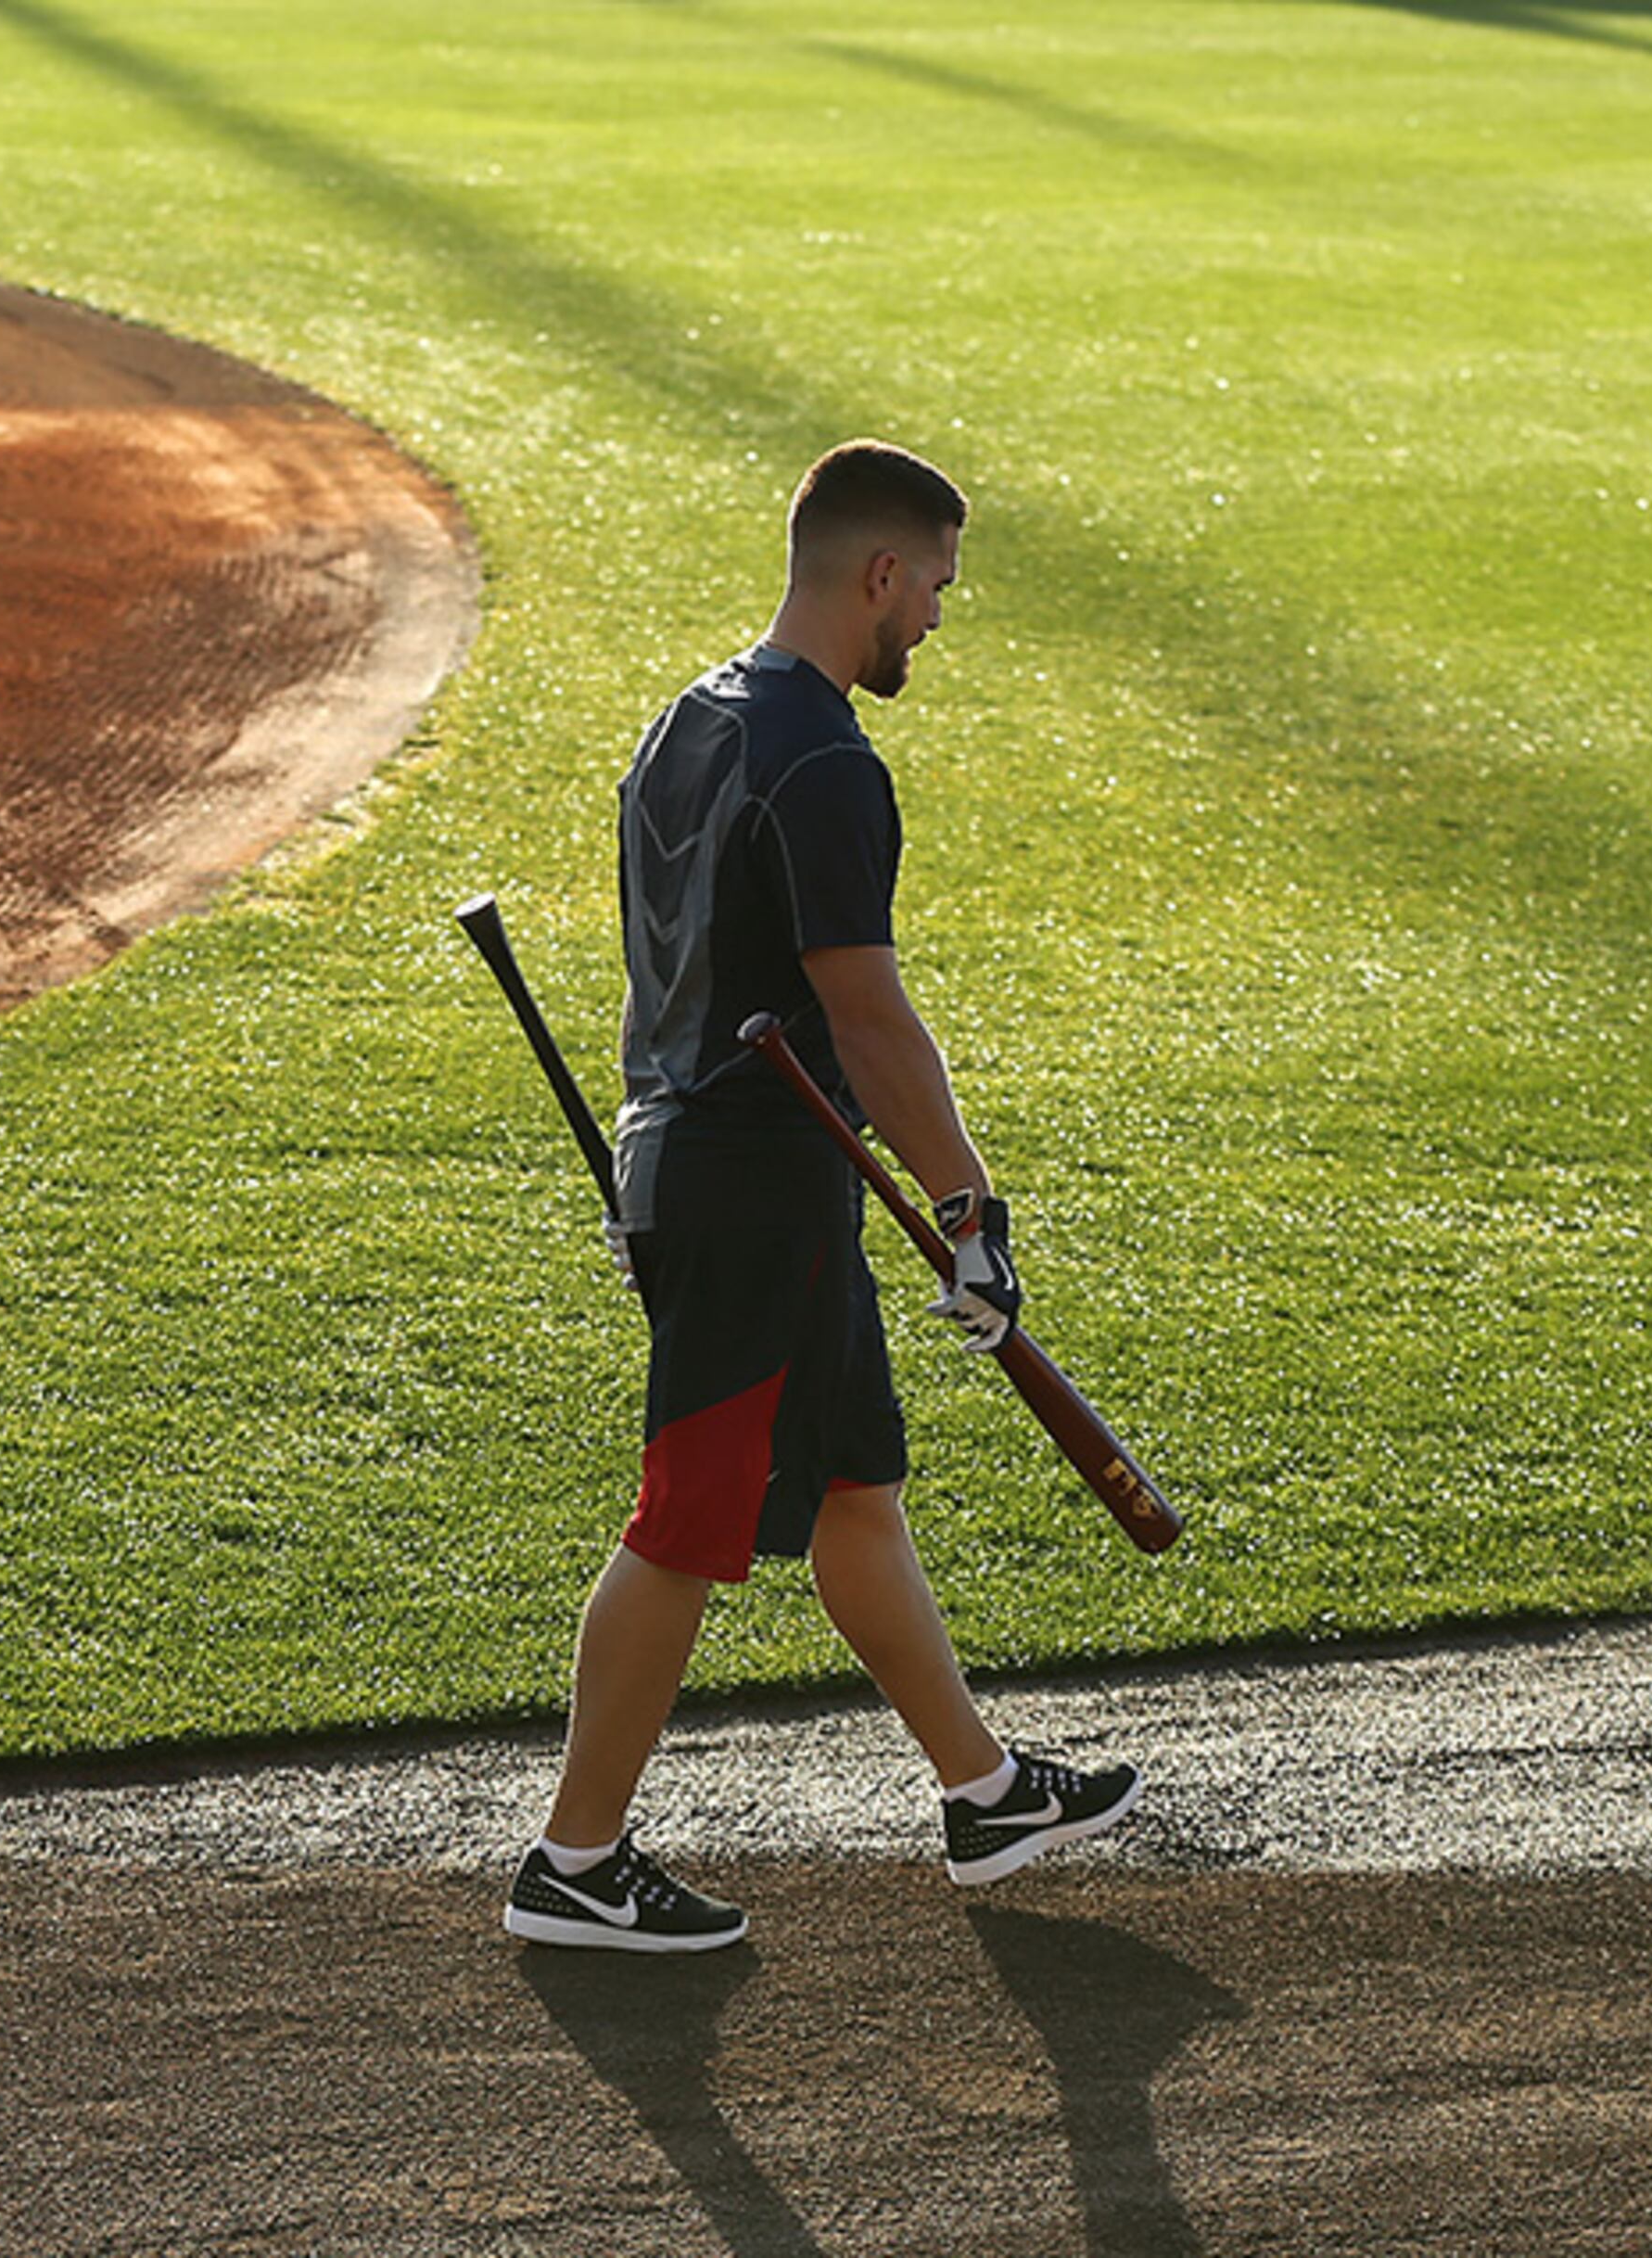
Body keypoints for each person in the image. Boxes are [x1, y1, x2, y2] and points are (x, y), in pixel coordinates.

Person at [502, 440, 1142, 1955]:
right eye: (933, 588)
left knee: (853, 1485)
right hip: (758, 1185)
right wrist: (969, 1206)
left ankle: (983, 1793)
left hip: (701, 1160)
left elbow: (683, 967)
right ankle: (574, 1866)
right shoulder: (827, 757)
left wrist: (658, 1170)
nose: (934, 618)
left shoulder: (689, 723)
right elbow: (867, 1018)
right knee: (687, 1523)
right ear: (878, 572)